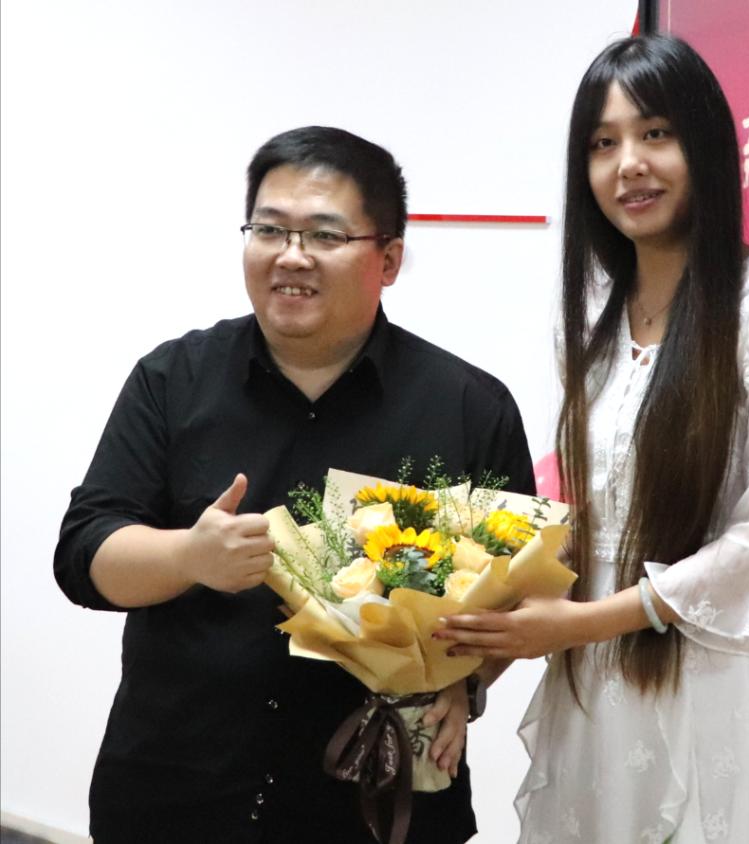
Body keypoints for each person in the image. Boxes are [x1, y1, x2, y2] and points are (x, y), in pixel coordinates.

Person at [54, 125, 535, 844]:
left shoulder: (468, 406)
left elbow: (518, 592)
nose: (291, 255)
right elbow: (83, 557)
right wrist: (190, 557)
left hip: (373, 806)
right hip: (177, 795)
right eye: (269, 229)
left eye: (325, 235)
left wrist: (463, 681)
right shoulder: (172, 379)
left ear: (389, 259)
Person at [437, 35, 749, 843]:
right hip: (594, 694)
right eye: (603, 143)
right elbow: (583, 517)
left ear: (706, 147)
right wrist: (472, 651)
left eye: (655, 133)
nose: (629, 164)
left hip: (713, 694)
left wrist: (578, 626)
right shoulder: (586, 316)